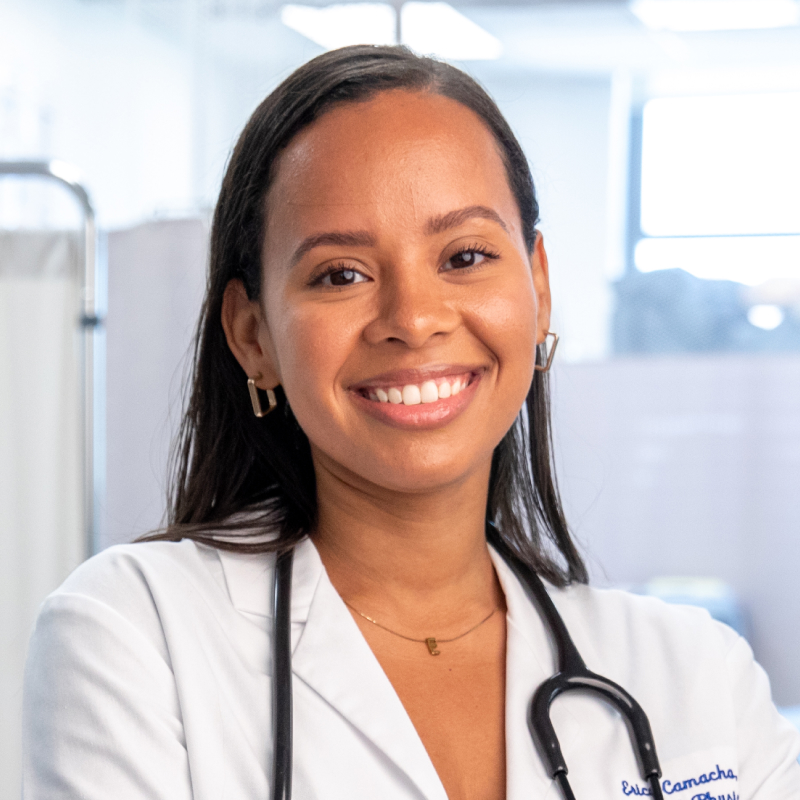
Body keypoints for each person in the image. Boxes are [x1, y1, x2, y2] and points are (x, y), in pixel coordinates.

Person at [22, 45, 800, 800]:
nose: (414, 319)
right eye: (342, 274)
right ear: (253, 337)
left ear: (539, 288)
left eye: (463, 257)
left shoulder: (696, 674)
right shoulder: (134, 635)